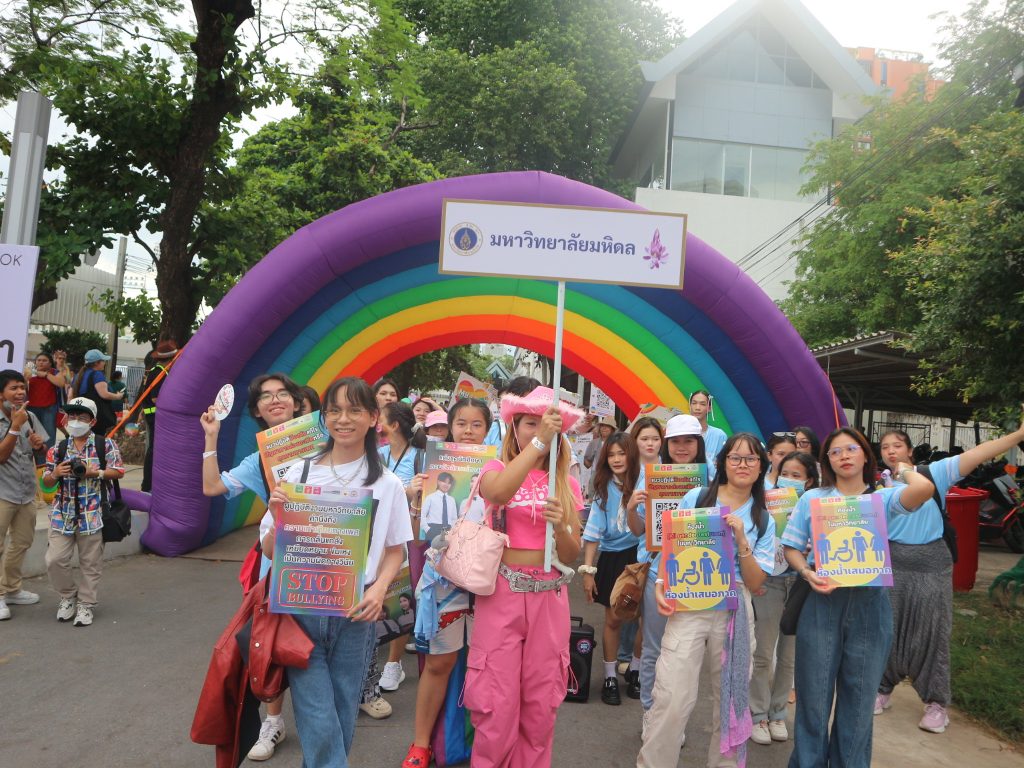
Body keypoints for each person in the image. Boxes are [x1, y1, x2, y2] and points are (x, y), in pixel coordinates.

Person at [266, 376, 412, 768]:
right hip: (301, 609)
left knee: (343, 710)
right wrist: (278, 517)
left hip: (356, 612)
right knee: (317, 712)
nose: (342, 419)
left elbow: (395, 551)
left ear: (373, 418)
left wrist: (379, 590)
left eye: (353, 410)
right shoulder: (298, 474)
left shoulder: (388, 484)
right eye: (334, 410)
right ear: (323, 417)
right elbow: (269, 549)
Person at [781, 427, 936, 768]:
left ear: (866, 455)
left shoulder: (883, 498)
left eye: (852, 449)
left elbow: (924, 489)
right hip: (822, 602)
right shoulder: (813, 498)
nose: (844, 456)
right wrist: (806, 572)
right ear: (827, 461)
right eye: (835, 452)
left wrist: (901, 468)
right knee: (813, 697)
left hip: (870, 606)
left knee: (859, 699)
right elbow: (791, 547)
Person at [875, 414, 1024, 734]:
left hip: (931, 564)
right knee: (887, 628)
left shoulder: (934, 473)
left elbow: (978, 453)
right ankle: (882, 688)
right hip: (893, 564)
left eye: (897, 445)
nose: (890, 451)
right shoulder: (878, 485)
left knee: (932, 632)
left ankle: (936, 703)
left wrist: (1017, 435)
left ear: (909, 450)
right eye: (885, 447)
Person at [637, 433, 775, 768]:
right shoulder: (697, 497)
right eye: (735, 457)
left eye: (751, 459)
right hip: (689, 603)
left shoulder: (763, 519)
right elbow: (670, 549)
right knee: (671, 696)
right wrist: (661, 585)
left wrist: (741, 540)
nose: (743, 464)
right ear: (722, 462)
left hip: (735, 609)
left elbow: (756, 582)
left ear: (761, 467)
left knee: (730, 701)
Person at [469, 386, 584, 767]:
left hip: (550, 597)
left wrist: (562, 527)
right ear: (514, 428)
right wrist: (539, 442)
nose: (539, 429)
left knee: (541, 703)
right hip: (502, 593)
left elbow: (570, 554)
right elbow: (498, 494)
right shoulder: (495, 468)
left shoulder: (567, 482)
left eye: (545, 423)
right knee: (495, 700)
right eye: (529, 423)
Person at [201, 372, 307, 760]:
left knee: (320, 646)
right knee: (273, 646)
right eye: (266, 397)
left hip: (328, 558)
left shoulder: (325, 443)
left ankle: (324, 722)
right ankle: (273, 721)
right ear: (257, 411)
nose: (275, 400)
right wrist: (211, 437)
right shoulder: (258, 459)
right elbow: (212, 487)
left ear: (297, 402)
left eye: (282, 394)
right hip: (277, 562)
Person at [403, 397, 492, 768]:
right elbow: (416, 537)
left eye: (476, 424)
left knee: (491, 665)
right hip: (445, 580)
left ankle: (487, 743)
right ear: (450, 427)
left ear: (489, 430)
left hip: (489, 582)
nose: (468, 431)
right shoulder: (430, 473)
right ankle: (421, 744)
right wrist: (414, 500)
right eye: (461, 423)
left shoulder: (500, 471)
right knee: (440, 662)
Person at [626, 413, 708, 723]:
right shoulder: (651, 477)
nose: (682, 447)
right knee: (654, 646)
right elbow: (638, 530)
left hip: (696, 575)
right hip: (656, 572)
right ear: (667, 444)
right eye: (676, 441)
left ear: (698, 444)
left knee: (687, 652)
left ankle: (676, 719)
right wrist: (631, 507)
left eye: (689, 441)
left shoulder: (710, 479)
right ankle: (651, 712)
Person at [749, 450, 819, 747]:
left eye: (796, 476)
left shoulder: (818, 506)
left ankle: (778, 713)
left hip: (801, 584)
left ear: (809, 481)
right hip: (771, 582)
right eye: (784, 474)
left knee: (789, 656)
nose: (789, 480)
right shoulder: (765, 502)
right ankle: (757, 714)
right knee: (763, 652)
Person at [41, 397, 124, 627]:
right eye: (72, 416)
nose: (76, 420)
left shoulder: (105, 445)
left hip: (93, 513)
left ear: (92, 421)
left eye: (82, 416)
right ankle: (68, 596)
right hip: (62, 513)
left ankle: (86, 604)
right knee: (54, 560)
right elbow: (46, 483)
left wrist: (94, 473)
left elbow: (118, 471)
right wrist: (55, 473)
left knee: (91, 564)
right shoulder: (57, 449)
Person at [580, 431, 642, 705]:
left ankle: (636, 671)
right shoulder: (603, 486)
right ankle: (609, 677)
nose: (616, 459)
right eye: (612, 455)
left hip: (641, 556)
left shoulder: (645, 482)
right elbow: (593, 531)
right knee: (614, 619)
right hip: (612, 558)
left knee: (643, 620)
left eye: (622, 453)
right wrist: (587, 571)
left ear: (632, 455)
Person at [376, 401, 425, 693]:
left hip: (410, 539)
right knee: (380, 597)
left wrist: (413, 494)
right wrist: (405, 491)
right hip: (379, 538)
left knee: (401, 597)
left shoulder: (421, 458)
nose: (376, 424)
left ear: (393, 425)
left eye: (380, 419)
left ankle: (393, 664)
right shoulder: (378, 456)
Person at [0, 370, 48, 620]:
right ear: (1, 394)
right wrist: (15, 427)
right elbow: (1, 456)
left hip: (26, 491)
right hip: (2, 492)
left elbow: (41, 449)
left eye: (22, 387)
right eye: (13, 388)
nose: (20, 392)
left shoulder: (29, 415)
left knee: (22, 542)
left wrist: (39, 445)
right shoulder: (16, 420)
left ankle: (11, 589)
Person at [137, 340, 178, 492]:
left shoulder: (158, 370)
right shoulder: (159, 372)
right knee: (154, 450)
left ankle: (150, 484)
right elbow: (155, 398)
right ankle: (147, 485)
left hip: (153, 415)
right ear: (171, 358)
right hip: (155, 416)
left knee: (154, 450)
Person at [72, 350, 124, 436]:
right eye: (103, 361)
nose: (104, 363)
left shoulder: (78, 375)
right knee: (96, 440)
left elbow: (70, 395)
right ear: (96, 363)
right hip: (96, 416)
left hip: (80, 414)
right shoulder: (97, 374)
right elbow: (104, 394)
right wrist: (118, 396)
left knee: (82, 438)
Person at [26, 350, 70, 449]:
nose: (41, 362)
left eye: (44, 360)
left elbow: (61, 383)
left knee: (49, 435)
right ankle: (32, 456)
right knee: (31, 434)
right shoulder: (30, 372)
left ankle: (48, 456)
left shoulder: (55, 372)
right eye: (39, 360)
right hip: (31, 408)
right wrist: (27, 377)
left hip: (49, 408)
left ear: (50, 363)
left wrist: (46, 375)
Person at [689, 390, 728, 464]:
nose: (697, 407)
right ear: (690, 406)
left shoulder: (719, 435)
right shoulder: (680, 433)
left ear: (709, 408)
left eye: (702, 404)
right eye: (694, 403)